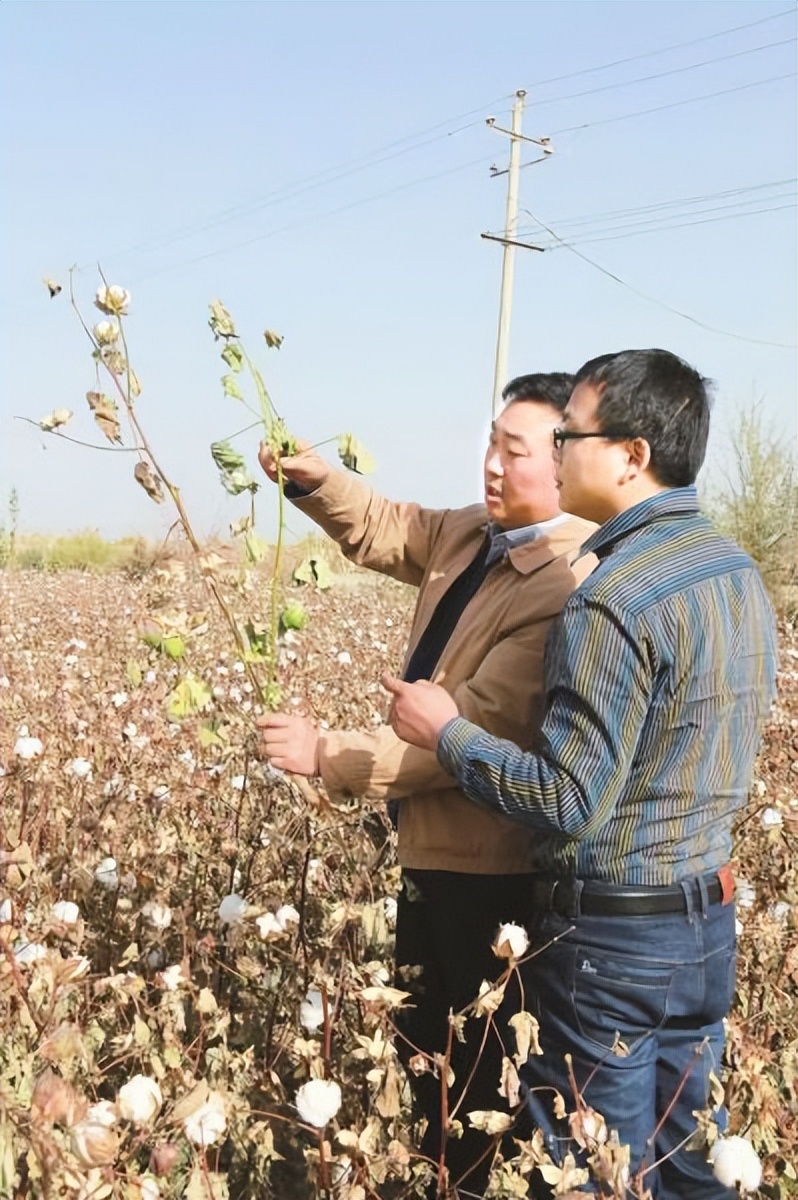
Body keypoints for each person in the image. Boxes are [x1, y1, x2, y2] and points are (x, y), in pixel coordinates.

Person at [384, 348, 779, 1200]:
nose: (555, 450)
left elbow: (569, 799)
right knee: (685, 1167)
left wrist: (449, 734)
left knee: (589, 1174)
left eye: (571, 434)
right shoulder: (735, 573)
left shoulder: (610, 597)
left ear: (632, 455)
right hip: (706, 923)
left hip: (614, 946)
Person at [257, 373, 597, 1198]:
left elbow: (460, 738)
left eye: (511, 453)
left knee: (478, 1088)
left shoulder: (563, 582)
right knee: (425, 1065)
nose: (489, 465)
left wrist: (325, 756)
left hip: (492, 876)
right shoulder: (474, 533)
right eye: (490, 442)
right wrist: (315, 479)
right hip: (430, 853)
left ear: (566, 465)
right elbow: (384, 526)